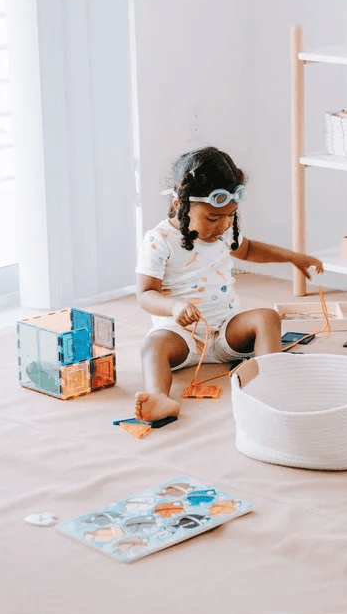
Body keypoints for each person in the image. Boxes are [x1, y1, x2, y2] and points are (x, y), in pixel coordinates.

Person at [134, 146, 323, 422]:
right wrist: (174, 306)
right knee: (152, 346)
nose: (223, 225)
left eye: (230, 216)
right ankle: (160, 397)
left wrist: (292, 257)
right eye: (213, 218)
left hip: (226, 330)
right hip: (181, 335)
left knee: (267, 317)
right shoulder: (159, 240)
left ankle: (270, 380)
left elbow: (249, 250)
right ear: (180, 205)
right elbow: (145, 294)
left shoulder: (223, 233)